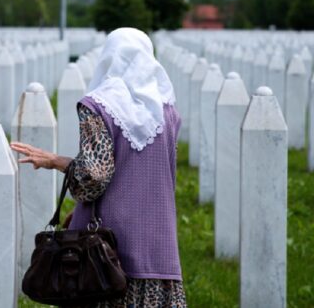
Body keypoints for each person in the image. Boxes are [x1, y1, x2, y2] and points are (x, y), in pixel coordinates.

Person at [11, 27, 186, 308]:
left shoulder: (99, 106)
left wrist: (58, 162)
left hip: (105, 251)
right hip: (158, 242)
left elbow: (94, 176)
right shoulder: (167, 111)